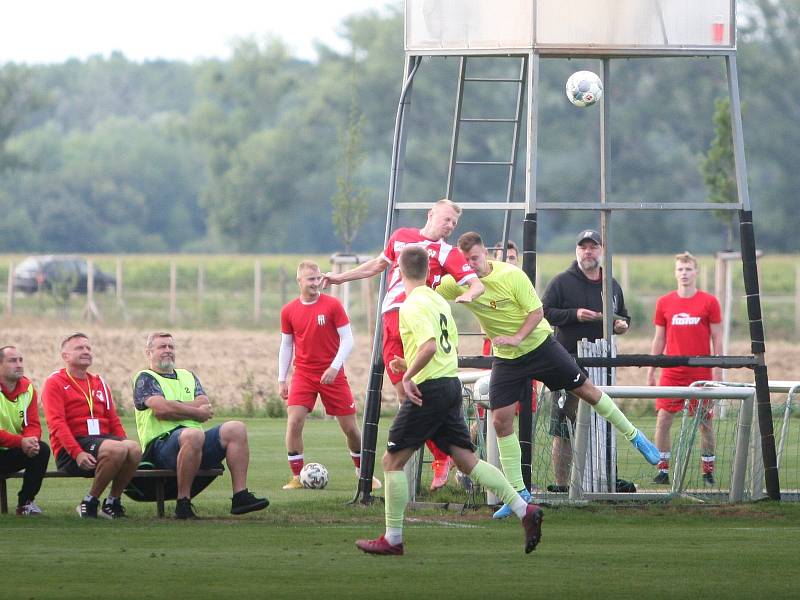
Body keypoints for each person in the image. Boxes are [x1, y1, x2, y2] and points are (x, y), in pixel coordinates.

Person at [434, 232, 657, 518]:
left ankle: (636, 437)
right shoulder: (458, 282)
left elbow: (538, 313)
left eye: (474, 258)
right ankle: (518, 492)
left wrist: (516, 337)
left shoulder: (510, 275)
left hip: (540, 346)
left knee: (586, 391)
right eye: (464, 261)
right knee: (501, 421)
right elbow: (427, 291)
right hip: (508, 359)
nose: (470, 265)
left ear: (485, 255)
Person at [355, 245, 543, 555]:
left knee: (392, 461)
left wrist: (407, 376)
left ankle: (393, 539)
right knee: (467, 460)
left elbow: (428, 346)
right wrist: (409, 364)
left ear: (398, 273)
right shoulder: (438, 301)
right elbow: (442, 349)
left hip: (429, 391)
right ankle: (525, 510)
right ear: (429, 272)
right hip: (449, 385)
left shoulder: (410, 304)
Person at [324, 198, 484, 491]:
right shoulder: (401, 238)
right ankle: (438, 457)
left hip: (415, 320)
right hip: (390, 320)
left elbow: (475, 282)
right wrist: (340, 279)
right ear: (431, 214)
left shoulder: (447, 252)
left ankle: (438, 459)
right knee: (403, 395)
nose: (449, 226)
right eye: (446, 219)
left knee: (418, 396)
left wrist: (470, 294)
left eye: (453, 223)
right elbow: (376, 265)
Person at [133, 332, 269, 519]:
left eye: (171, 347)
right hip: (161, 448)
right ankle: (183, 504)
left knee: (236, 428)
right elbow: (161, 409)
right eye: (162, 347)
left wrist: (175, 406)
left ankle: (240, 496)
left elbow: (204, 403)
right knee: (193, 435)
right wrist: (195, 412)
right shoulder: (145, 378)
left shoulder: (187, 376)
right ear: (149, 353)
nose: (168, 351)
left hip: (194, 442)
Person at [541, 229, 631, 493]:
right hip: (567, 362)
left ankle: (604, 479)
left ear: (601, 250)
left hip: (603, 364)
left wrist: (622, 325)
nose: (588, 251)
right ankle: (561, 485)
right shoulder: (561, 282)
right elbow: (544, 313)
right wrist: (574, 315)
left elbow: (622, 315)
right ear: (576, 251)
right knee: (563, 427)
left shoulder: (611, 284)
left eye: (593, 247)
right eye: (583, 247)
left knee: (603, 422)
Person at [279, 260, 381, 491]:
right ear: (300, 281)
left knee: (350, 428)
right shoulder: (288, 311)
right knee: (294, 421)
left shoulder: (333, 305)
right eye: (310, 279)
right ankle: (297, 477)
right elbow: (286, 346)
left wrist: (334, 367)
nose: (315, 283)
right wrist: (281, 379)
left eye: (317, 278)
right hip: (303, 375)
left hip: (333, 375)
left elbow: (348, 340)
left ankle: (364, 475)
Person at [42, 333, 141, 519]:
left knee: (133, 448)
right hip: (72, 449)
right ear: (66, 356)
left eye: (88, 348)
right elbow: (57, 424)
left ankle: (112, 502)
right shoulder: (54, 382)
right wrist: (77, 452)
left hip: (101, 442)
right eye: (79, 348)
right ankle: (89, 502)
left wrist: (126, 449)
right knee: (117, 449)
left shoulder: (98, 382)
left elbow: (113, 420)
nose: (86, 351)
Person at [647, 252, 722, 485]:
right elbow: (659, 339)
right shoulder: (664, 302)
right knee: (663, 420)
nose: (684, 273)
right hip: (671, 372)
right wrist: (651, 369)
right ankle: (662, 470)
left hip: (701, 372)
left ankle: (707, 470)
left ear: (696, 272)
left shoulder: (709, 302)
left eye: (688, 269)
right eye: (680, 269)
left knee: (704, 422)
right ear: (675, 273)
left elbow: (717, 339)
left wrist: (718, 371)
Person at [0, 345, 50, 516]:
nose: (19, 364)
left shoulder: (27, 388)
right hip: (11, 445)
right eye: (13, 360)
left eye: (21, 360)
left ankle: (25, 504)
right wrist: (20, 442)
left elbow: (33, 424)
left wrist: (31, 441)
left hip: (10, 452)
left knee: (41, 450)